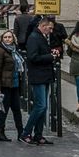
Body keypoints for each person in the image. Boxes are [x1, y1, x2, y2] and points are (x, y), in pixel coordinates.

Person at [21, 17, 59, 146]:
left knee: (43, 107)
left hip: (44, 75)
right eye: (50, 28)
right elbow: (32, 57)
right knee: (40, 106)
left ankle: (38, 134)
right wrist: (50, 57)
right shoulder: (34, 37)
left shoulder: (41, 37)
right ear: (43, 26)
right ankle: (26, 133)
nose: (51, 30)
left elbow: (41, 53)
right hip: (38, 76)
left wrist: (50, 53)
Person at [0, 30, 25, 141]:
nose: (8, 39)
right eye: (5, 37)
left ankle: (21, 133)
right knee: (4, 110)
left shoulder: (14, 51)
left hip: (14, 84)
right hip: (5, 85)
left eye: (10, 37)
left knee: (16, 110)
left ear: (13, 39)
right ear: (2, 39)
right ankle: (0, 133)